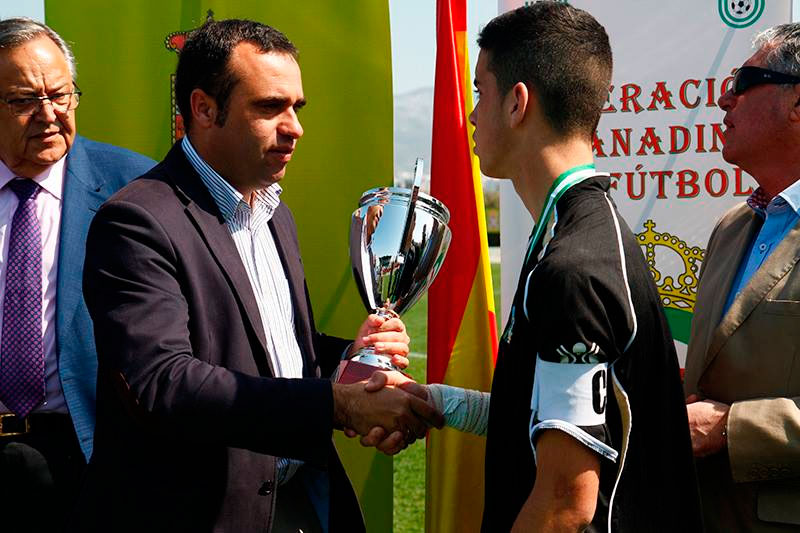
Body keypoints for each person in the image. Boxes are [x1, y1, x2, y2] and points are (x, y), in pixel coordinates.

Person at [69, 19, 441, 533]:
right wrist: (335, 406)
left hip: (296, 502)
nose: (294, 126)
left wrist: (353, 362)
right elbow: (163, 382)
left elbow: (273, 347)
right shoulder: (136, 220)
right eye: (269, 107)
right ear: (203, 108)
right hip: (198, 515)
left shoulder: (272, 210)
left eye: (297, 107)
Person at [404, 4, 701, 531]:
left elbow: (566, 503)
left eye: (480, 91)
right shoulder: (576, 233)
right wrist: (438, 403)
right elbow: (543, 415)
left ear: (518, 103)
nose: (471, 114)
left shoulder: (574, 269)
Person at [0, 17, 154, 533]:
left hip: (89, 455)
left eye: (61, 95)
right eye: (23, 100)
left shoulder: (136, 187)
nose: (48, 115)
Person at [684, 22, 800, 531]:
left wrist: (731, 428)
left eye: (742, 82)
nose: (723, 101)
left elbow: (721, 421)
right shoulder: (731, 227)